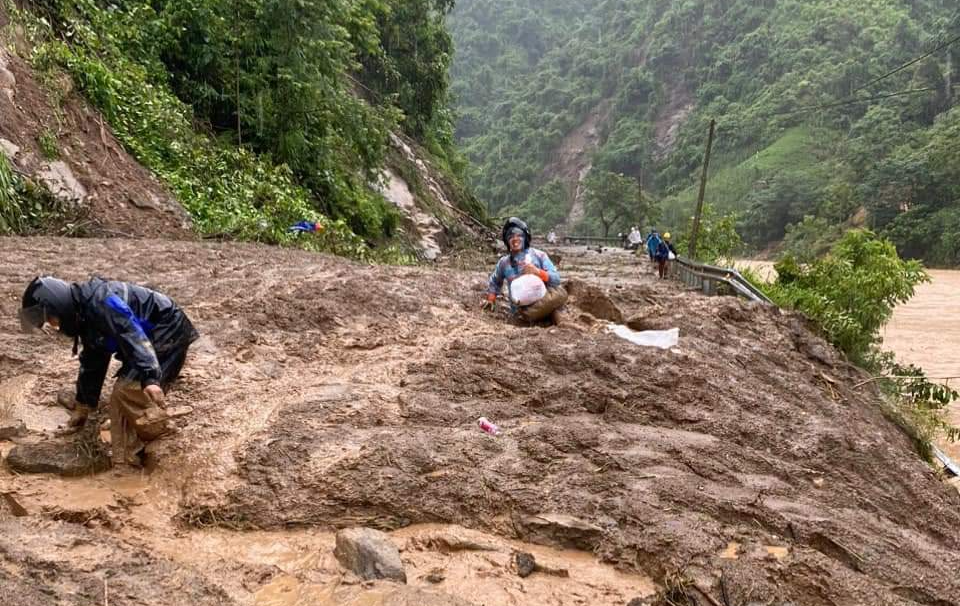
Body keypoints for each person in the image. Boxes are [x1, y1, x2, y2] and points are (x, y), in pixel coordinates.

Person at [19, 276, 199, 467]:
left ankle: (158, 431)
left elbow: (130, 332)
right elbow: (92, 363)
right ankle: (126, 460)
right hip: (148, 338)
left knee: (127, 390)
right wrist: (83, 405)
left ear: (57, 305)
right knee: (119, 399)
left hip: (168, 329)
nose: (54, 325)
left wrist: (150, 377)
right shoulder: (86, 314)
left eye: (50, 318)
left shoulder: (102, 301)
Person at [483, 218, 568, 324]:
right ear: (506, 241)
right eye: (510, 236)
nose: (515, 239)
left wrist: (538, 272)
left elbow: (556, 280)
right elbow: (495, 281)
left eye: (519, 235)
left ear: (525, 237)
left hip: (544, 304)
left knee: (559, 296)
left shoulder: (539, 255)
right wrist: (491, 299)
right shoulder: (504, 263)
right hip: (521, 312)